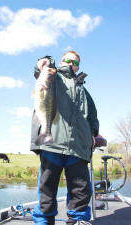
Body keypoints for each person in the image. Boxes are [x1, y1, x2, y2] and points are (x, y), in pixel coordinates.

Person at [30, 51, 99, 225]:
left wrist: (93, 133)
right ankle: (44, 221)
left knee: (81, 191)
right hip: (53, 144)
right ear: (61, 61)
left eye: (75, 62)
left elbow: (92, 115)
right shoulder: (54, 78)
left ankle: (78, 221)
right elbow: (41, 69)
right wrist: (45, 62)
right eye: (67, 60)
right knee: (47, 189)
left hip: (78, 148)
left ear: (78, 66)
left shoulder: (84, 90)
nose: (71, 63)